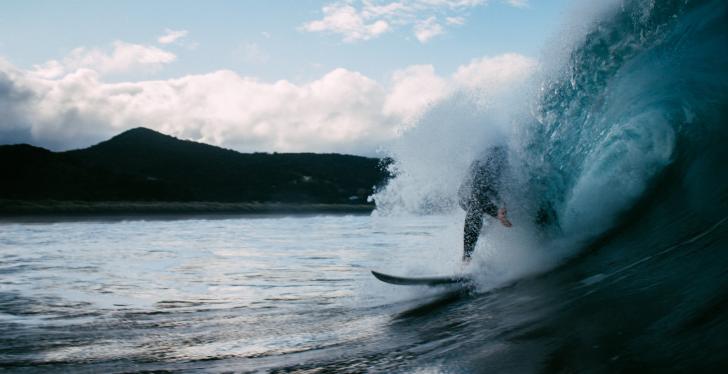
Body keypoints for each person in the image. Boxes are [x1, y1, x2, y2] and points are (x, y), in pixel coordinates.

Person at [458, 145, 512, 263]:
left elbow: (502, 191)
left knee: (488, 221)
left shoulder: (508, 163)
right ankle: (466, 259)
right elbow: (477, 193)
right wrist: (497, 213)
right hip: (466, 195)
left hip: (486, 193)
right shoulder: (487, 163)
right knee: (476, 208)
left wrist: (502, 208)